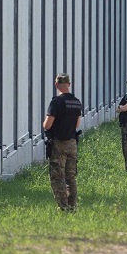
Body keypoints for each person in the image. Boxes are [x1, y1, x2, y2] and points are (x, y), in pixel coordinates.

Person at [43, 73, 83, 211]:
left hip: (59, 144)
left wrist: (44, 123)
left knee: (58, 176)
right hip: (72, 143)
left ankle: (63, 207)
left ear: (56, 85)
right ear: (69, 84)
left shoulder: (56, 102)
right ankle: (72, 206)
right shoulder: (76, 102)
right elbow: (77, 124)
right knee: (70, 176)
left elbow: (47, 125)